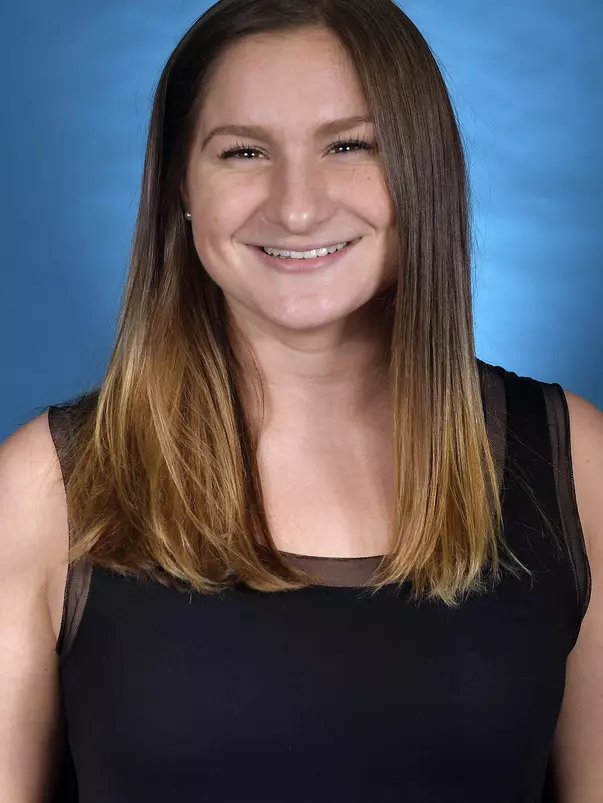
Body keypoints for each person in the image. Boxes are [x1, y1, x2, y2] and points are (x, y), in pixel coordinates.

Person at [1, 0, 601, 800]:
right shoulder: (44, 486)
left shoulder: (576, 464)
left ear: (420, 172)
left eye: (348, 145)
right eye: (243, 151)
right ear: (179, 183)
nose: (296, 206)